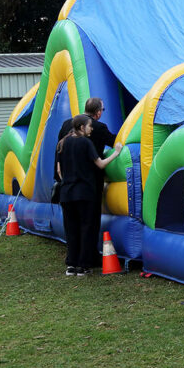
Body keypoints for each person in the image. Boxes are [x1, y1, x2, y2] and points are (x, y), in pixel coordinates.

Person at [56, 114, 123, 275]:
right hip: (85, 192)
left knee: (71, 228)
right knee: (86, 227)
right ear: (81, 127)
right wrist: (116, 153)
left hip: (66, 193)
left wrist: (68, 181)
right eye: (89, 126)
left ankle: (71, 264)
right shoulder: (85, 142)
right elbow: (100, 164)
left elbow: (59, 170)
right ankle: (83, 265)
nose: (91, 128)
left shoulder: (62, 143)